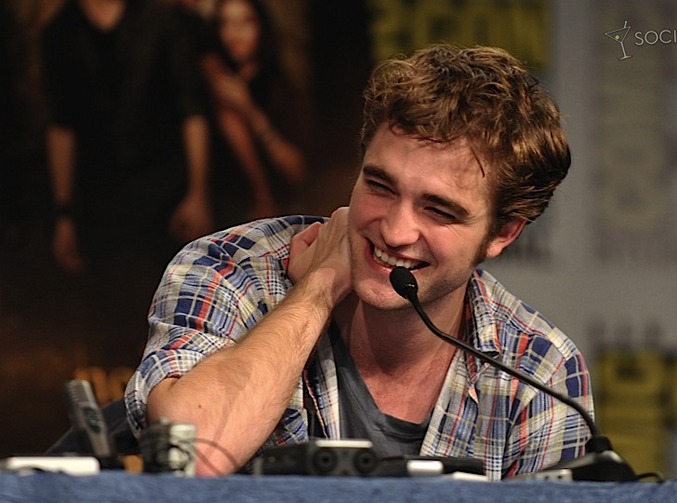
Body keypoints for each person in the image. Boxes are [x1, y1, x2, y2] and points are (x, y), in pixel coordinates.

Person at [125, 44, 591, 480]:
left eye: (438, 210)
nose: (394, 231)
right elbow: (192, 456)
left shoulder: (539, 370)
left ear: (503, 233)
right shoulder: (231, 269)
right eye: (380, 186)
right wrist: (319, 288)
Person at [41, 0, 214, 366]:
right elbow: (61, 124)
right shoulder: (60, 32)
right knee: (113, 320)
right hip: (101, 201)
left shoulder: (161, 19)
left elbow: (192, 108)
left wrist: (198, 192)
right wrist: (64, 213)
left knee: (174, 316)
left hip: (165, 192)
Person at [203, 0, 306, 226]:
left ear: (262, 27)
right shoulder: (216, 79)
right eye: (226, 23)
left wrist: (250, 110)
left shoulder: (279, 86)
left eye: (245, 22)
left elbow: (298, 172)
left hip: (281, 209)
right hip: (226, 208)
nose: (235, 32)